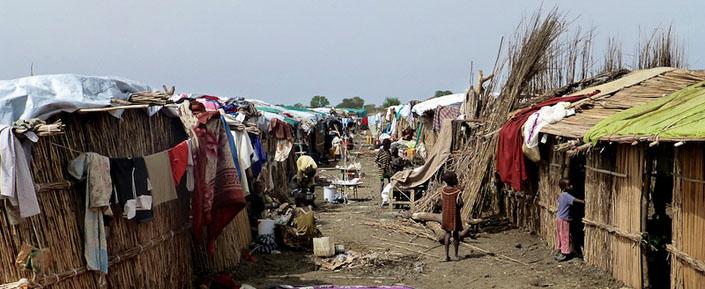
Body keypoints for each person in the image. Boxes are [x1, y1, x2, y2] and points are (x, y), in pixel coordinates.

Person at [555, 178, 584, 261]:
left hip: (559, 218)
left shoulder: (561, 194)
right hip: (564, 220)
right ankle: (565, 253)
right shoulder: (567, 196)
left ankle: (559, 249)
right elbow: (575, 200)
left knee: (560, 235)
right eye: (569, 185)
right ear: (564, 187)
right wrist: (585, 201)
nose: (572, 186)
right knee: (565, 235)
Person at [441, 171, 463, 261]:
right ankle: (456, 255)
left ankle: (446, 256)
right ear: (453, 180)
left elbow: (441, 202)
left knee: (447, 234)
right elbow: (461, 203)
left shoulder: (443, 191)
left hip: (446, 215)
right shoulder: (457, 192)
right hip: (455, 216)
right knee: (456, 234)